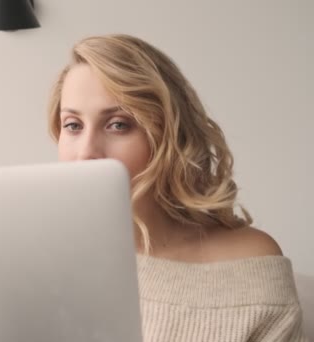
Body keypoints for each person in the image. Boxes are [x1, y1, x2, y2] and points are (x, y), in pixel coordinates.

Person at [48, 34, 307, 341]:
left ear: (168, 135)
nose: (86, 151)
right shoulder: (43, 259)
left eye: (118, 124)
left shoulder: (249, 263)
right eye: (73, 125)